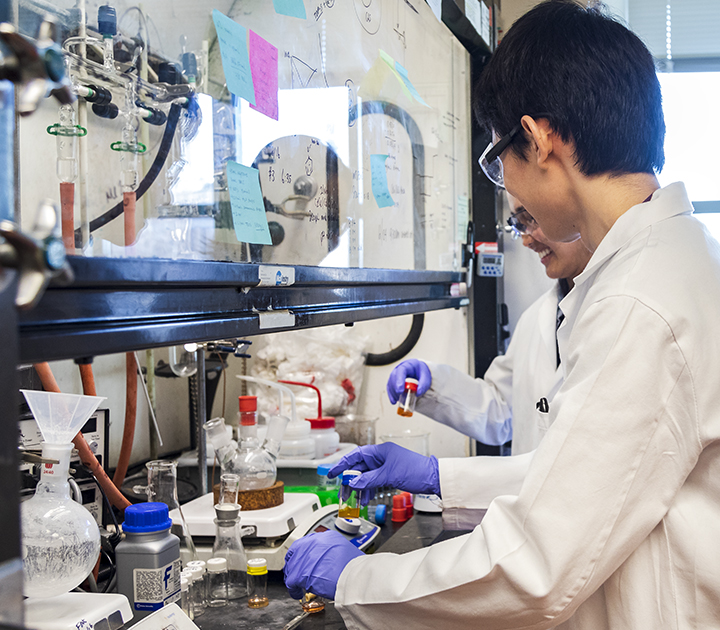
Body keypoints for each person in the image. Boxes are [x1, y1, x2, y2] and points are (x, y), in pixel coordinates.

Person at [285, 2, 720, 627]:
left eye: (498, 161)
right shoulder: (670, 262)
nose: (507, 191)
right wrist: (438, 476)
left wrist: (355, 577)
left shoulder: (640, 300)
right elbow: (578, 482)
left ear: (538, 140)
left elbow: (536, 566)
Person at [388, 193, 591, 456]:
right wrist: (432, 382)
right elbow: (503, 410)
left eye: (532, 218)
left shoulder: (620, 310)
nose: (527, 240)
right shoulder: (537, 317)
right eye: (520, 224)